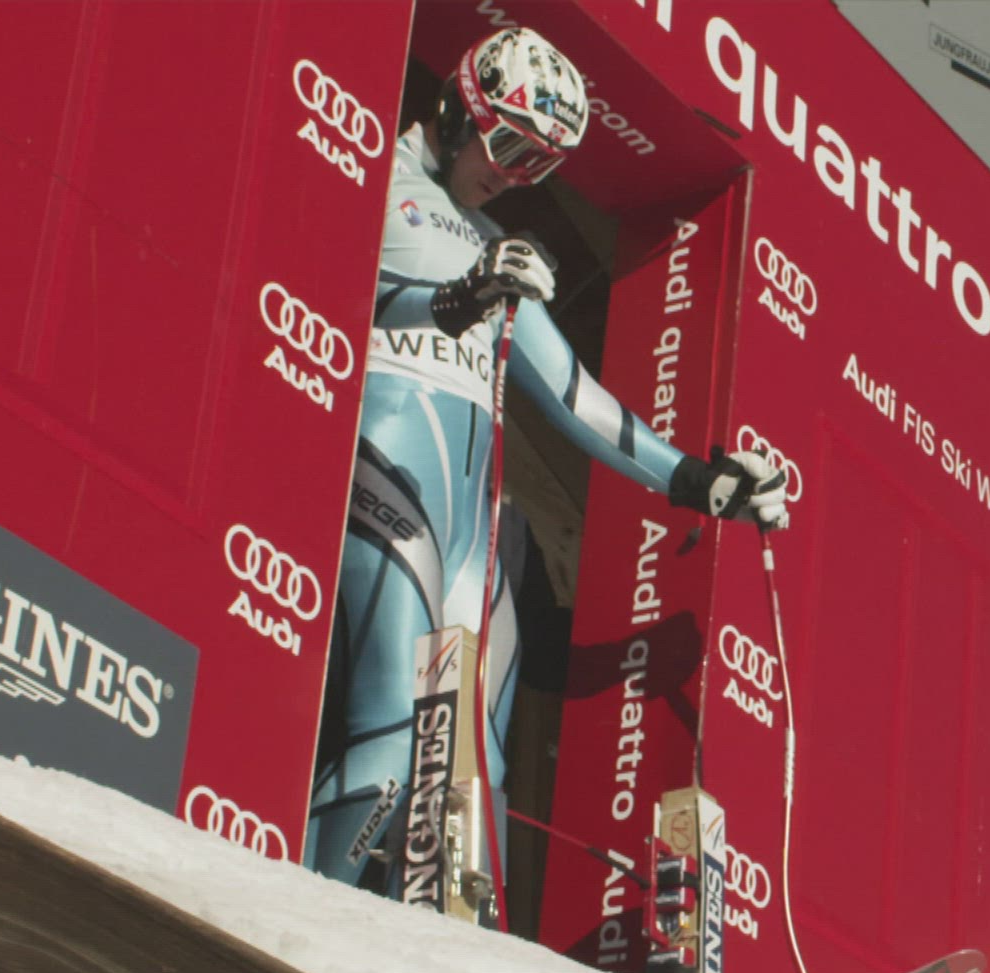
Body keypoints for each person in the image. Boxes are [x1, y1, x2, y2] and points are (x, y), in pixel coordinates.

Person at [305, 27, 787, 902]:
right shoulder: (377, 170)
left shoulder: (495, 243)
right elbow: (338, 286)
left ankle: (452, 951)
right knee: (393, 733)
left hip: (473, 512)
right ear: (459, 109)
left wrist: (702, 481)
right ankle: (299, 903)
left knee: (476, 768)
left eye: (538, 164)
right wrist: (463, 295)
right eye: (506, 145)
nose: (512, 174)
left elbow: (576, 398)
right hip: (392, 455)